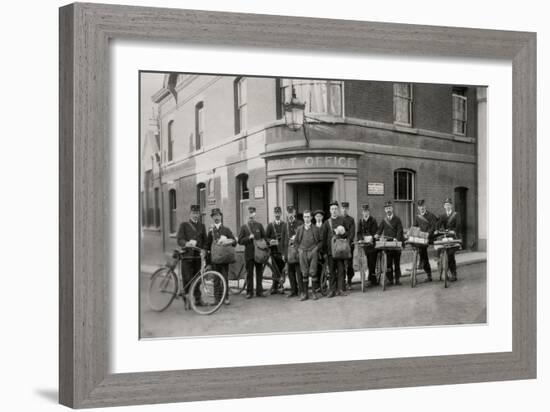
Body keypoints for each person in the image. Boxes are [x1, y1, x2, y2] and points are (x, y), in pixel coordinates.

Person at [176, 204, 207, 305]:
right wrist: (186, 243)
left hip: (197, 257)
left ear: (199, 215)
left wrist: (204, 250)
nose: (195, 215)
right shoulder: (184, 225)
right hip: (187, 257)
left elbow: (205, 241)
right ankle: (187, 299)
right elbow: (179, 239)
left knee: (197, 279)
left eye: (197, 213)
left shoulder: (202, 226)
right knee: (187, 278)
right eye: (193, 213)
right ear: (190, 214)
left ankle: (198, 300)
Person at [206, 208, 236, 305]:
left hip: (224, 259)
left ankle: (226, 297)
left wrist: (227, 241)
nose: (216, 217)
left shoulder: (226, 230)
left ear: (221, 216)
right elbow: (207, 247)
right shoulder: (211, 231)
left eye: (218, 215)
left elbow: (234, 242)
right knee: (216, 279)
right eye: (214, 216)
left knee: (224, 278)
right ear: (212, 217)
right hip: (215, 259)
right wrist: (208, 262)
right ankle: (217, 299)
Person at [238, 206, 267, 298]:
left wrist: (263, 244)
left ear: (255, 214)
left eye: (253, 213)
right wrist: (248, 238)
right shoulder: (244, 227)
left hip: (258, 253)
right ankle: (249, 292)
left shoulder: (259, 225)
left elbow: (264, 237)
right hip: (249, 253)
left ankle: (259, 291)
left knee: (259, 273)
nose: (251, 215)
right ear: (247, 215)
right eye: (249, 213)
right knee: (249, 273)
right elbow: (240, 241)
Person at [321, 200, 348, 297]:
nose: (334, 211)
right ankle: (332, 290)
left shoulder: (342, 220)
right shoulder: (326, 223)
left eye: (336, 209)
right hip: (330, 251)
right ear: (330, 210)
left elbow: (347, 235)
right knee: (331, 271)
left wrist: (343, 232)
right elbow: (323, 238)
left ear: (338, 210)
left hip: (340, 250)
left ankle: (340, 289)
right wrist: (324, 252)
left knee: (341, 270)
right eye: (332, 209)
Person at [294, 210, 322, 301]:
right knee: (304, 273)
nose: (306, 219)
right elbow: (296, 242)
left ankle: (314, 293)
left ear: (311, 217)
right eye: (305, 217)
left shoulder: (316, 229)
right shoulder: (299, 229)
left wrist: (316, 249)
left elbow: (321, 241)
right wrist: (299, 250)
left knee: (313, 272)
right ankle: (305, 294)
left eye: (308, 217)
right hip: (303, 252)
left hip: (313, 252)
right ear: (303, 218)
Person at [375, 200, 404, 285]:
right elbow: (380, 230)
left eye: (389, 208)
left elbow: (400, 230)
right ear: (385, 210)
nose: (388, 210)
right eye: (386, 208)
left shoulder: (397, 219)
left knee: (397, 263)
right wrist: (377, 234)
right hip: (387, 245)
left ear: (392, 209)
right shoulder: (384, 220)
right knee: (388, 263)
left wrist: (397, 239)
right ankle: (390, 279)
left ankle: (397, 279)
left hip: (396, 244)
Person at [413, 199, 438, 282]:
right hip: (421, 238)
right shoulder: (417, 217)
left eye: (423, 206)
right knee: (418, 246)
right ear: (418, 208)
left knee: (422, 249)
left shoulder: (431, 216)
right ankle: (422, 262)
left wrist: (427, 234)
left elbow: (433, 227)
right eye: (420, 207)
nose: (422, 208)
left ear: (425, 206)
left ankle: (424, 266)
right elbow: (415, 227)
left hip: (429, 237)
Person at [437, 198, 461, 282]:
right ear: (444, 206)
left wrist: (453, 231)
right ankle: (442, 272)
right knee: (439, 251)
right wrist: (437, 230)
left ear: (451, 206)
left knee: (450, 255)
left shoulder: (456, 215)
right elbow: (438, 225)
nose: (447, 206)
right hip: (445, 236)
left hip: (453, 237)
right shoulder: (442, 216)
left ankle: (454, 274)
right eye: (446, 205)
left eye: (449, 205)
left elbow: (458, 226)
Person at [282, 205, 303, 298]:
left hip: (297, 251)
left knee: (299, 272)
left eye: (292, 212)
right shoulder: (284, 225)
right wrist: (283, 253)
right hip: (288, 252)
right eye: (288, 212)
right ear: (287, 213)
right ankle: (293, 290)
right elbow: (282, 241)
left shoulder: (299, 223)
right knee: (290, 272)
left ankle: (301, 291)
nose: (290, 214)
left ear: (295, 212)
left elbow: (303, 237)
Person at [265, 206, 287, 294]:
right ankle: (274, 287)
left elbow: (286, 236)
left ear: (281, 214)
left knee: (282, 268)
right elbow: (266, 237)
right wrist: (271, 240)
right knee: (275, 269)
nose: (277, 215)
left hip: (281, 251)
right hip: (273, 251)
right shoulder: (270, 225)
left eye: (279, 213)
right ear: (274, 214)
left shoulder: (284, 225)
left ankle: (281, 286)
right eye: (276, 213)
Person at [356, 204, 379, 285]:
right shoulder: (360, 221)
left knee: (372, 260)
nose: (365, 213)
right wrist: (360, 239)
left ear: (369, 211)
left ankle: (372, 277)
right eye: (364, 211)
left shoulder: (373, 220)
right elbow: (358, 233)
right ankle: (369, 276)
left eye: (366, 211)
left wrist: (372, 237)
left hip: (372, 244)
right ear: (362, 212)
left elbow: (376, 231)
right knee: (363, 259)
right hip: (364, 244)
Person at [341, 202, 356, 290]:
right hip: (340, 245)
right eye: (343, 208)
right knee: (341, 264)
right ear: (341, 209)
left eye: (346, 209)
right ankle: (342, 281)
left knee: (349, 264)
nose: (344, 210)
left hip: (349, 245)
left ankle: (349, 281)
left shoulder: (351, 220)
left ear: (348, 209)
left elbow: (352, 233)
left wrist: (348, 241)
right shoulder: (339, 219)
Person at [313, 209, 326, 292]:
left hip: (323, 251)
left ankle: (324, 285)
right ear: (314, 217)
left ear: (322, 217)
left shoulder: (325, 226)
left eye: (320, 216)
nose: (318, 218)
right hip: (315, 251)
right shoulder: (313, 227)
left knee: (324, 268)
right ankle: (317, 285)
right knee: (316, 268)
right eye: (317, 216)